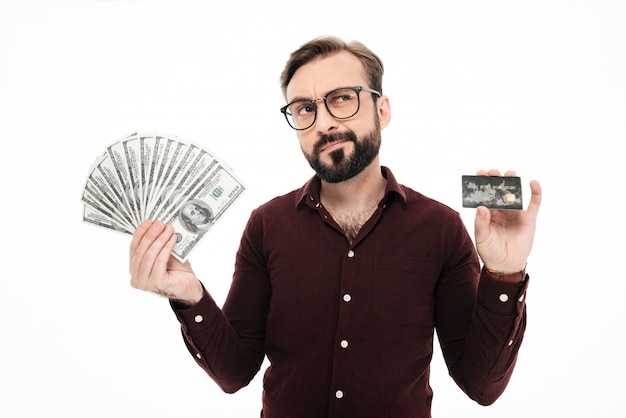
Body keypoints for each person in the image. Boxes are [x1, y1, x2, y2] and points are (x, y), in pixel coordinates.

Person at [129, 36, 542, 417]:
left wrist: (505, 274)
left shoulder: (440, 228)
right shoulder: (266, 225)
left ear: (382, 110)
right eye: (305, 108)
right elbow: (235, 372)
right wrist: (190, 298)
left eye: (341, 99)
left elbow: (481, 386)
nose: (323, 122)